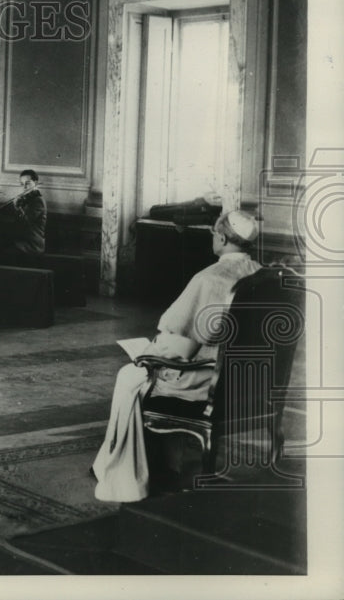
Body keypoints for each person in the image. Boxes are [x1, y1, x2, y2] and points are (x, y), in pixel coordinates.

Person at [91, 210, 264, 502]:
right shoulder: (262, 274)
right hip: (250, 383)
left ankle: (123, 474)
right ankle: (163, 464)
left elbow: (180, 342)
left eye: (213, 234)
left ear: (221, 238)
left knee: (131, 374)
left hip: (207, 382)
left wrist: (149, 352)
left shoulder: (209, 278)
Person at [0, 169, 47, 263]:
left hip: (31, 244)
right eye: (22, 184)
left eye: (28, 183)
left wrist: (17, 207)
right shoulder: (27, 198)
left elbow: (26, 221)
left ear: (36, 182)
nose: (25, 187)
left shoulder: (38, 200)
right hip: (22, 240)